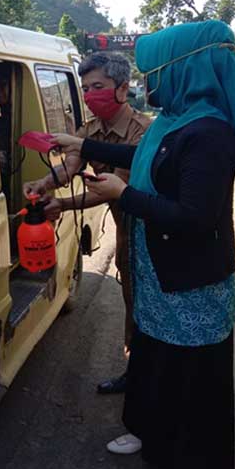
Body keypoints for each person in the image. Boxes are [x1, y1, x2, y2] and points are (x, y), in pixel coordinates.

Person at [50, 20, 235, 469]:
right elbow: (148, 155)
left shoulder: (209, 133)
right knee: (154, 359)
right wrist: (80, 144)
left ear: (185, 71)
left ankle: (191, 462)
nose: (147, 83)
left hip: (192, 280)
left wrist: (122, 197)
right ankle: (150, 432)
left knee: (191, 375)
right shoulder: (175, 120)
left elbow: (195, 216)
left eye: (155, 72)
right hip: (160, 273)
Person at [23, 52, 151, 395]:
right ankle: (134, 372)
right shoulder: (90, 129)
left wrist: (63, 204)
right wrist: (44, 184)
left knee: (147, 305)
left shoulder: (144, 132)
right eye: (86, 88)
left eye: (98, 86)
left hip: (149, 231)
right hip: (125, 231)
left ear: (122, 89)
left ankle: (150, 378)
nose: (90, 95)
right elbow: (70, 165)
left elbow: (113, 189)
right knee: (130, 298)